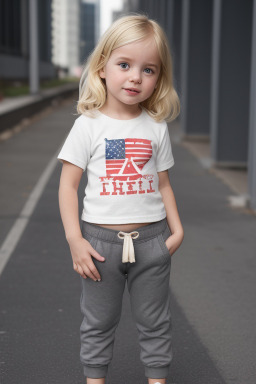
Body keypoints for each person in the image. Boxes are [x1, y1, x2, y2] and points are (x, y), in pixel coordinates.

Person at [57, 13, 184, 384]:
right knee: (98, 321)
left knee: (156, 321)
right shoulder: (89, 125)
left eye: (149, 70)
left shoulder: (155, 127)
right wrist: (74, 240)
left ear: (159, 78)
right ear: (101, 67)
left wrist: (176, 233)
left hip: (152, 241)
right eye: (125, 64)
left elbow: (163, 183)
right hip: (99, 245)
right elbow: (68, 186)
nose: (135, 77)